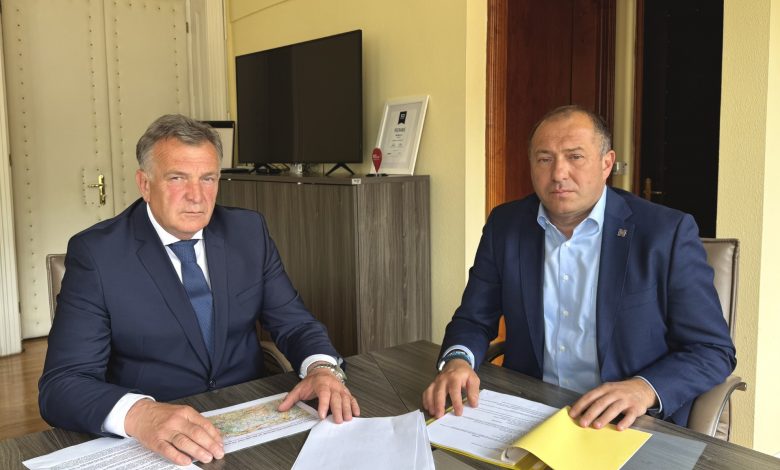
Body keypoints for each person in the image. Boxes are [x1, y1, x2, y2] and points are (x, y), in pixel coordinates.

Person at [39, 114, 360, 465]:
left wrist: (321, 368)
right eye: (177, 178)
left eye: (207, 179)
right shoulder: (98, 254)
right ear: (145, 184)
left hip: (249, 422)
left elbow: (295, 323)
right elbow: (63, 384)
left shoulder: (247, 232)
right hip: (155, 438)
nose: (196, 196)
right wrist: (140, 414)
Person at [422, 105, 736, 431]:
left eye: (575, 157)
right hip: (528, 412)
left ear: (606, 163)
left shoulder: (665, 233)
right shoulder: (506, 225)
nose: (559, 173)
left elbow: (712, 350)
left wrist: (643, 389)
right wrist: (457, 361)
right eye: (545, 159)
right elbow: (473, 319)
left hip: (629, 423)